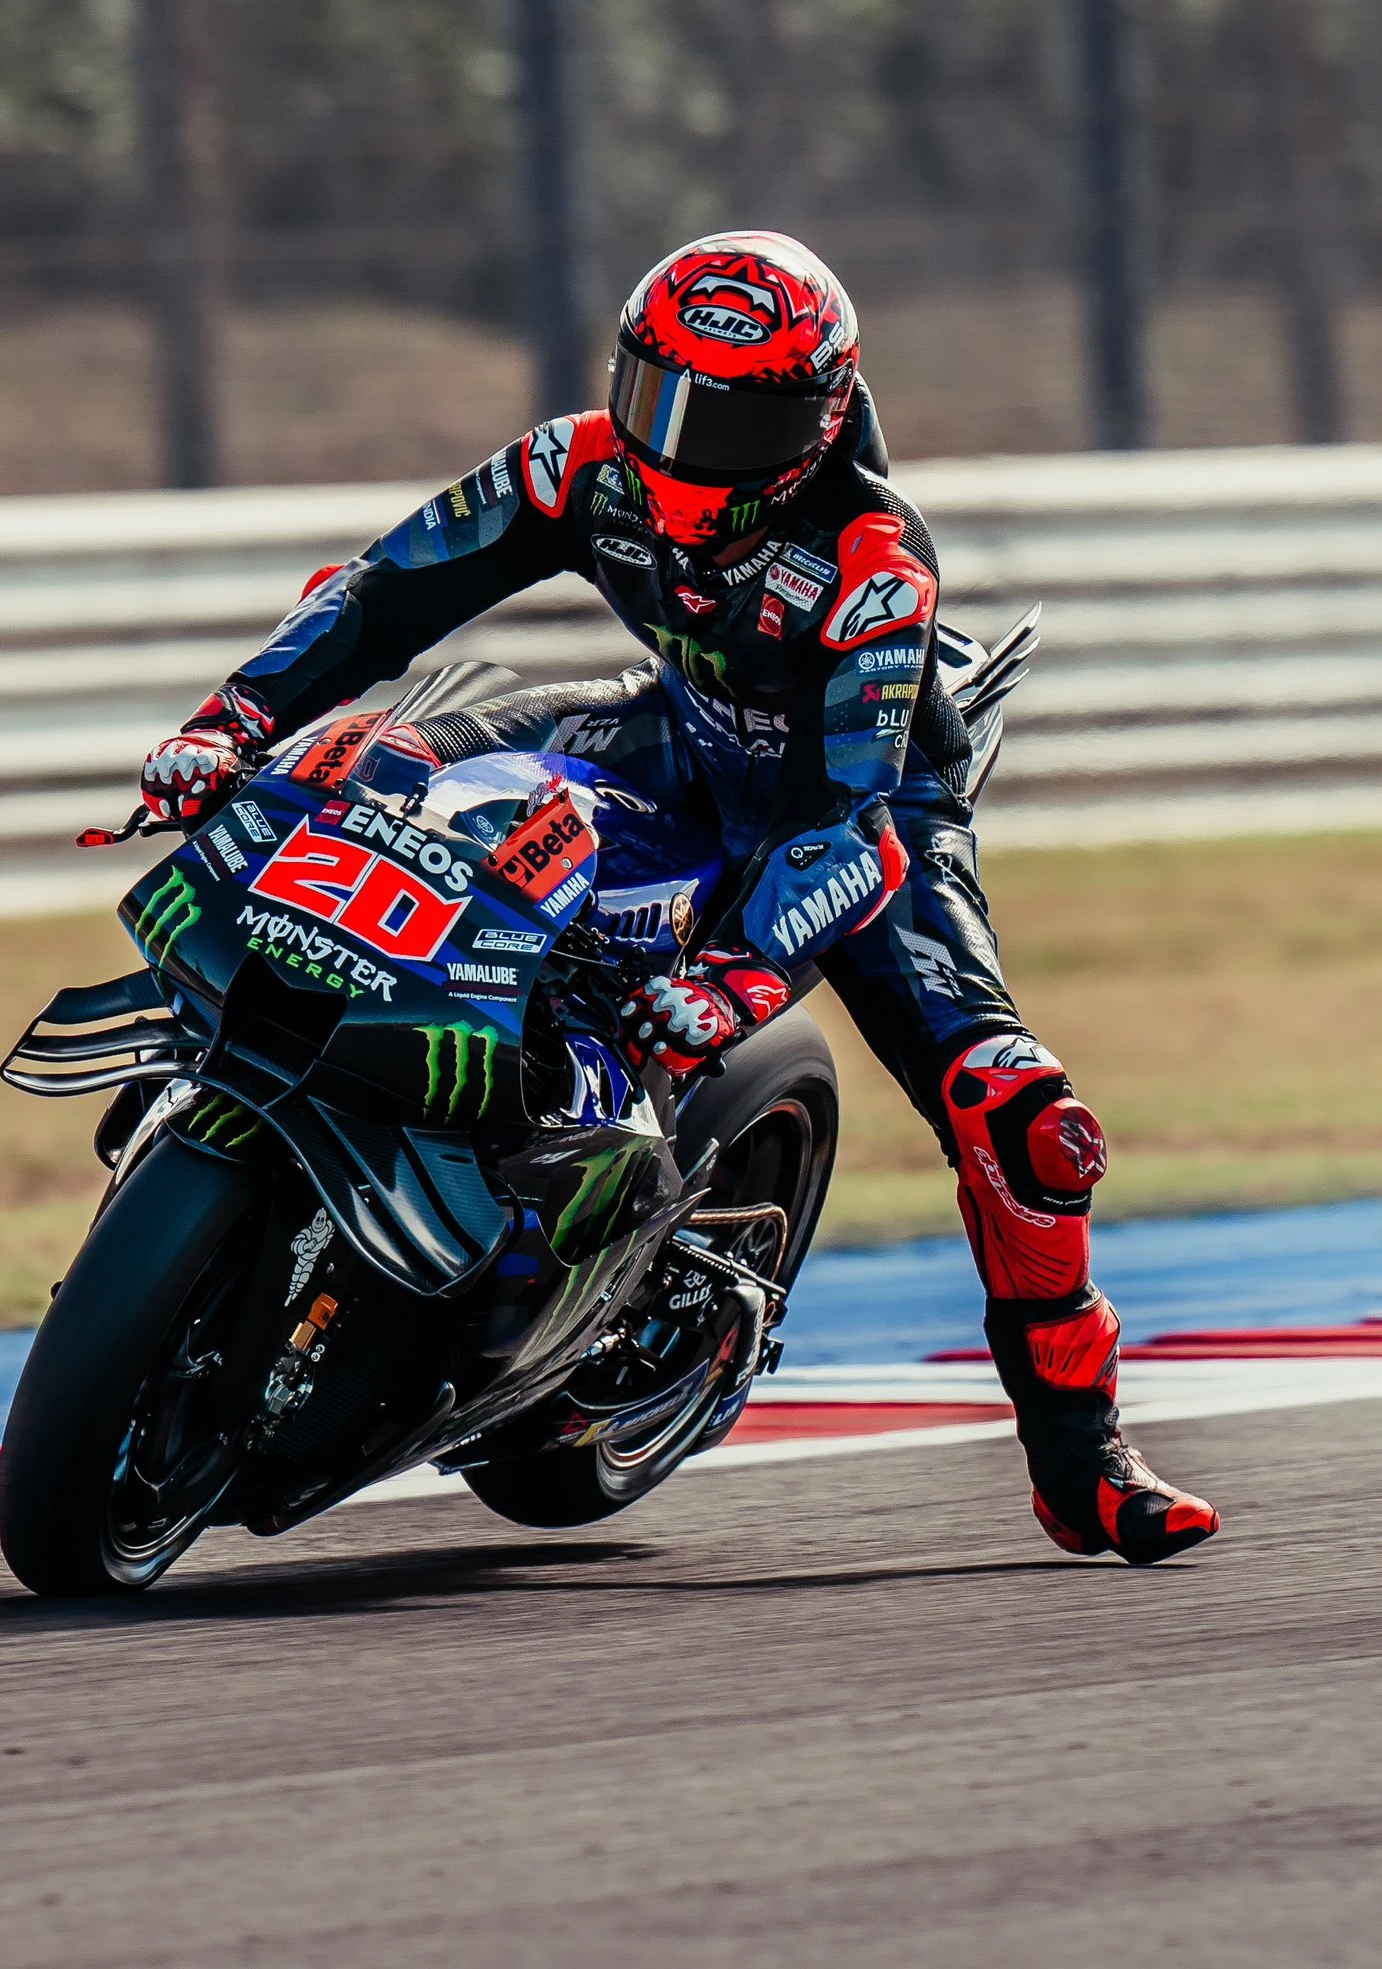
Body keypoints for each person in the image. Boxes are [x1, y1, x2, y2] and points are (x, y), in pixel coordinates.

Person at [138, 232, 1219, 1567]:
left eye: (740, 416)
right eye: (665, 402)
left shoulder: (870, 564)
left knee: (1027, 1118)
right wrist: (233, 718)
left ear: (818, 420)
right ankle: (268, 1094)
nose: (687, 450)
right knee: (376, 767)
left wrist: (739, 981)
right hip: (677, 737)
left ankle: (1082, 1458)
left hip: (855, 816)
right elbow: (381, 594)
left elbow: (848, 828)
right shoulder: (572, 464)